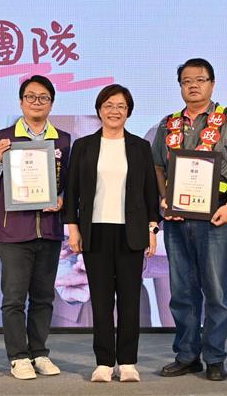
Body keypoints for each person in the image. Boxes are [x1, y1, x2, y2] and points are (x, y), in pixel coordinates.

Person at [152, 58, 227, 381]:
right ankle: (186, 355)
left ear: (212, 83)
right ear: (180, 86)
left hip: (217, 214)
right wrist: (164, 198)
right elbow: (158, 166)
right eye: (186, 81)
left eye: (200, 79)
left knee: (216, 291)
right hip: (177, 217)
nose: (193, 85)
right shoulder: (168, 123)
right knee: (182, 290)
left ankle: (215, 358)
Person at [63, 84, 161, 383]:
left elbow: (150, 192)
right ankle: (104, 362)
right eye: (108, 105)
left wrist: (153, 229)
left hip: (131, 232)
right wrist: (73, 228)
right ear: (99, 110)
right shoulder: (84, 146)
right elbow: (72, 191)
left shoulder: (139, 147)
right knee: (101, 300)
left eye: (120, 106)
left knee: (130, 300)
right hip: (95, 231)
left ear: (128, 111)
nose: (114, 111)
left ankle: (128, 362)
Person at [0, 75, 71, 380]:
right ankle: (18, 356)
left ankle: (40, 353)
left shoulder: (64, 140)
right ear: (21, 102)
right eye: (30, 97)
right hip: (14, 232)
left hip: (50, 229)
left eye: (43, 98)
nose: (36, 102)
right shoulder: (4, 137)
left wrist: (62, 199)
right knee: (14, 298)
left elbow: (70, 184)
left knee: (43, 297)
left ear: (51, 103)